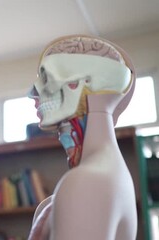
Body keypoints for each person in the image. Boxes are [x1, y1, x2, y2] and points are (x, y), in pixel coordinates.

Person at [27, 35, 137, 240]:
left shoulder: (86, 183)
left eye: (46, 78)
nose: (32, 94)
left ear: (81, 84)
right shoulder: (112, 178)